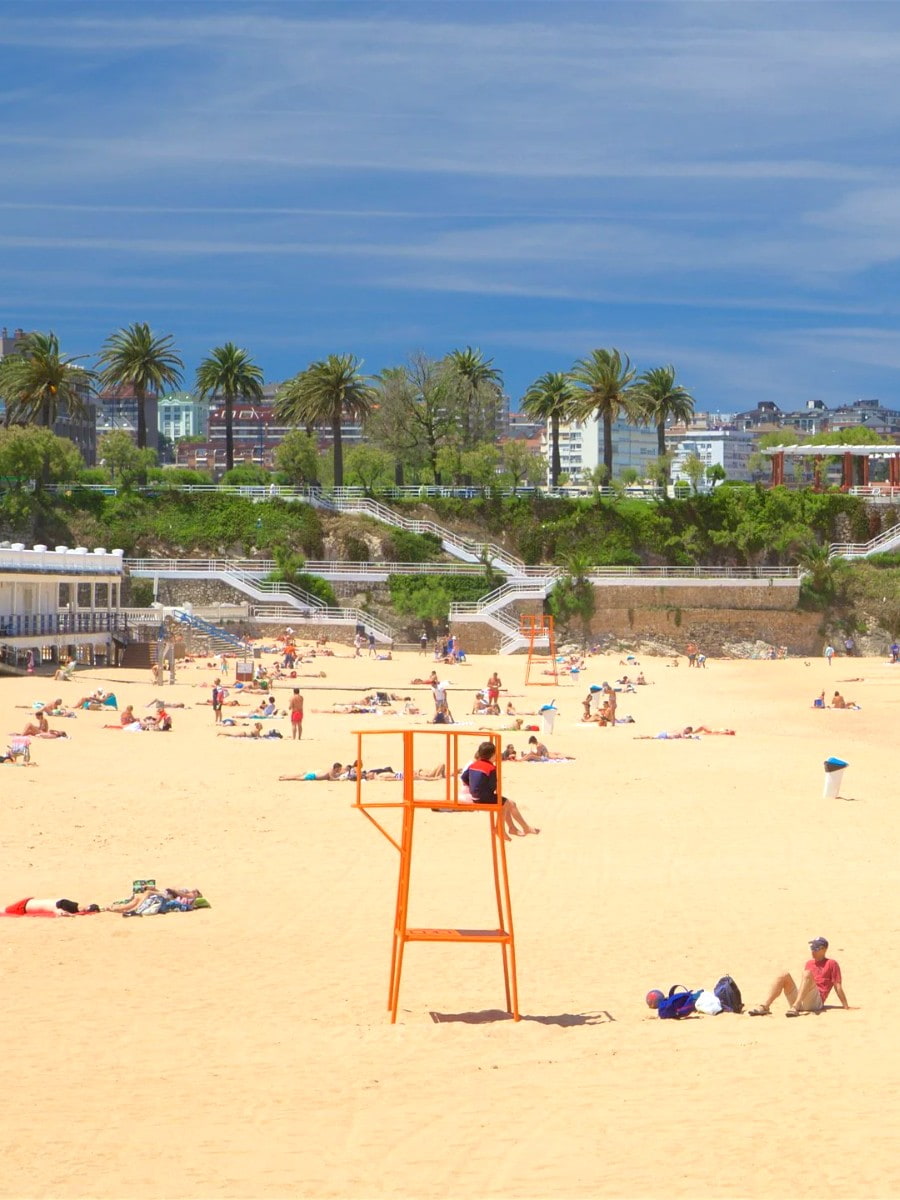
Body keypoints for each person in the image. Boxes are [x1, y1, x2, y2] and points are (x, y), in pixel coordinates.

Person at [748, 937, 849, 1017]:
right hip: (802, 999)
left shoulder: (832, 963)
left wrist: (846, 1006)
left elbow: (838, 986)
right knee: (783, 974)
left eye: (815, 948)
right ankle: (765, 1006)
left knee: (807, 974)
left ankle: (795, 1007)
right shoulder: (809, 963)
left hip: (816, 1002)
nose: (813, 951)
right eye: (812, 948)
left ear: (824, 949)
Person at [461, 741, 539, 841]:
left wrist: (473, 786)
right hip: (484, 797)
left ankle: (514, 828)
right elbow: (493, 785)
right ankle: (505, 828)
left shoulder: (474, 764)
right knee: (506, 804)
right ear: (493, 755)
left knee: (509, 803)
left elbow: (464, 777)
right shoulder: (491, 767)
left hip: (475, 796)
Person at [5, 897, 100, 917]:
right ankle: (89, 908)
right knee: (6, 910)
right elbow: (59, 912)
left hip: (27, 905)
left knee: (76, 908)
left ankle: (89, 908)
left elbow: (59, 911)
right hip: (24, 906)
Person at [279, 763, 343, 781]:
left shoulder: (332, 770)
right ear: (336, 768)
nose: (340, 770)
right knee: (296, 778)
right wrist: (338, 779)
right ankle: (284, 778)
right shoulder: (331, 771)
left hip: (313, 774)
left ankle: (284, 776)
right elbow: (331, 779)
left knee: (297, 776)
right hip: (313, 776)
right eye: (339, 768)